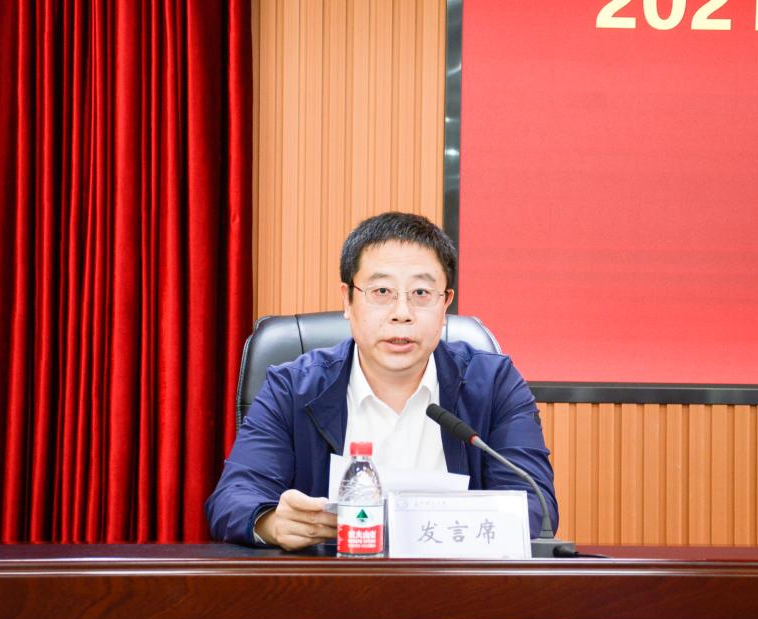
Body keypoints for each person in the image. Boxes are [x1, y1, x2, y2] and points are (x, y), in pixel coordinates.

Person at [205, 212, 558, 549]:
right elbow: (234, 498)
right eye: (381, 292)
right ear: (348, 300)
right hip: (329, 585)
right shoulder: (292, 388)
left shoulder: (494, 384)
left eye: (421, 293)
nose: (401, 314)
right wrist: (272, 523)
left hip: (454, 585)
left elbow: (533, 506)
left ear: (445, 304)